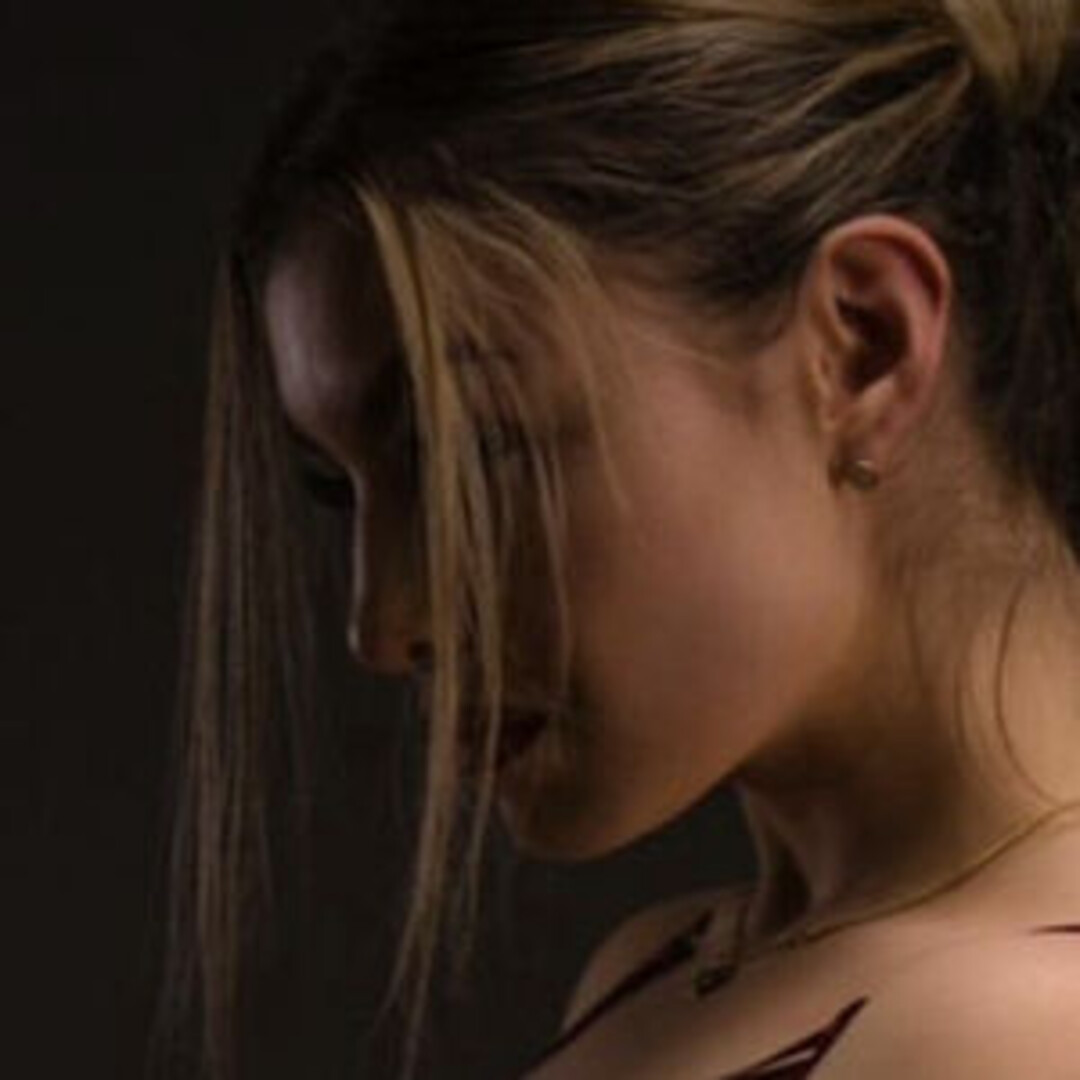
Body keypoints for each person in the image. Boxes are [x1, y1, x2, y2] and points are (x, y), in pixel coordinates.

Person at [160, 1, 1080, 1077]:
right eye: (341, 490)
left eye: (476, 453)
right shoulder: (661, 972)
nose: (384, 621)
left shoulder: (1019, 1034)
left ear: (861, 347)